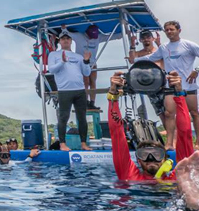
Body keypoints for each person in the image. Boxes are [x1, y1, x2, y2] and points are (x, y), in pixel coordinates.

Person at [107, 71, 193, 182]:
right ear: (138, 160)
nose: (151, 158)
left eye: (157, 154)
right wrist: (113, 94)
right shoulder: (128, 174)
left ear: (165, 159)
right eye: (144, 154)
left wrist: (179, 93)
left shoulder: (179, 176)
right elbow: (116, 134)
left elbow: (185, 133)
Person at [135, 21, 199, 149]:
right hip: (171, 87)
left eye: (171, 29)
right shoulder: (164, 47)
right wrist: (134, 60)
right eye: (167, 30)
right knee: (169, 114)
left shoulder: (189, 45)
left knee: (194, 113)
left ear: (179, 30)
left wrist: (196, 70)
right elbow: (151, 58)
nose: (169, 32)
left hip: (189, 86)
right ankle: (170, 143)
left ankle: (198, 142)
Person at [47, 31, 92, 151]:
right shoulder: (54, 54)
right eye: (63, 39)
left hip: (80, 90)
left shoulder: (78, 56)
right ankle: (62, 144)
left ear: (71, 41)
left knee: (82, 117)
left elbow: (86, 72)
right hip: (64, 90)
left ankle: (83, 144)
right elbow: (51, 69)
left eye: (68, 38)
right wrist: (62, 62)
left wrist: (86, 61)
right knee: (63, 117)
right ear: (60, 41)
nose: (65, 40)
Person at [71, 24, 121, 109]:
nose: (92, 38)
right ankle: (85, 102)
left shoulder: (98, 37)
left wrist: (123, 33)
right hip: (82, 63)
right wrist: (63, 29)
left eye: (94, 37)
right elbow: (67, 34)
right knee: (85, 83)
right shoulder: (79, 36)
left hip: (93, 64)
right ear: (86, 33)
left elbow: (111, 36)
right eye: (91, 36)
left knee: (93, 82)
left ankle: (92, 103)